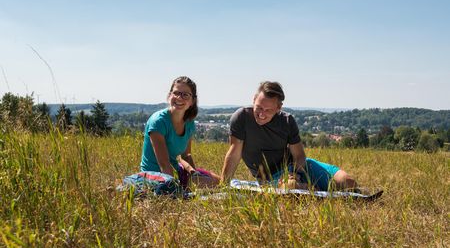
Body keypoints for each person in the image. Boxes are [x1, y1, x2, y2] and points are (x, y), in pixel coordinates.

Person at [221, 81, 358, 191]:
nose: (262, 114)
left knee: (349, 183)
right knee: (290, 186)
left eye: (268, 110)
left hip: (299, 167)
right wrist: (223, 185)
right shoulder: (241, 117)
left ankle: (310, 187)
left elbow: (299, 156)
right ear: (254, 100)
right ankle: (310, 189)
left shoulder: (287, 121)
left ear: (279, 108)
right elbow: (234, 154)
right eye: (259, 108)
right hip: (271, 178)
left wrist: (296, 173)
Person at [140, 76, 220, 189]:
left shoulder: (189, 123)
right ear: (169, 96)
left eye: (185, 95)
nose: (179, 98)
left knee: (219, 181)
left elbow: (186, 156)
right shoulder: (158, 122)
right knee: (207, 184)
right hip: (155, 176)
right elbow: (164, 164)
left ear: (192, 101)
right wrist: (175, 189)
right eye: (176, 93)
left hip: (176, 170)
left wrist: (193, 173)